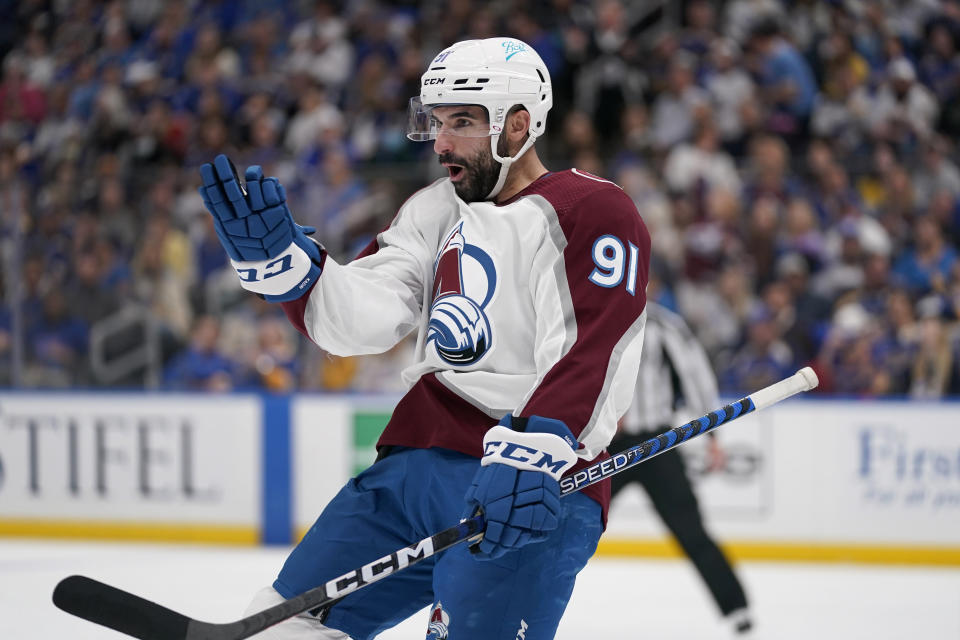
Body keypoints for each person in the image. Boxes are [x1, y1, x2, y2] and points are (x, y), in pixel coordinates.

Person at [198, 38, 650, 640]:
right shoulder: (434, 209)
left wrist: (536, 449)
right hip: (413, 467)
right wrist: (292, 272)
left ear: (518, 124)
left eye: (461, 122)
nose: (440, 143)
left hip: (524, 483)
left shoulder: (590, 208)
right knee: (287, 628)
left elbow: (594, 348)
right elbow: (361, 318)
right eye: (435, 122)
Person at [609, 302, 754, 636]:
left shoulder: (663, 325)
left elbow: (695, 375)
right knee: (574, 521)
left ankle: (735, 607)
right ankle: (529, 597)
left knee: (691, 529)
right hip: (606, 445)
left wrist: (713, 434)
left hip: (656, 442)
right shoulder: (595, 312)